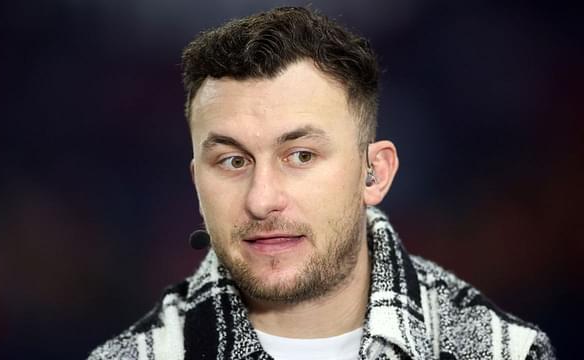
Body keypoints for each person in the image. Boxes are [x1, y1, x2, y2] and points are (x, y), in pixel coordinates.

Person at [87, 6, 554, 360]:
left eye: (301, 155)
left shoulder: (504, 352)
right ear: (196, 181)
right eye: (232, 161)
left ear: (375, 173)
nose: (262, 199)